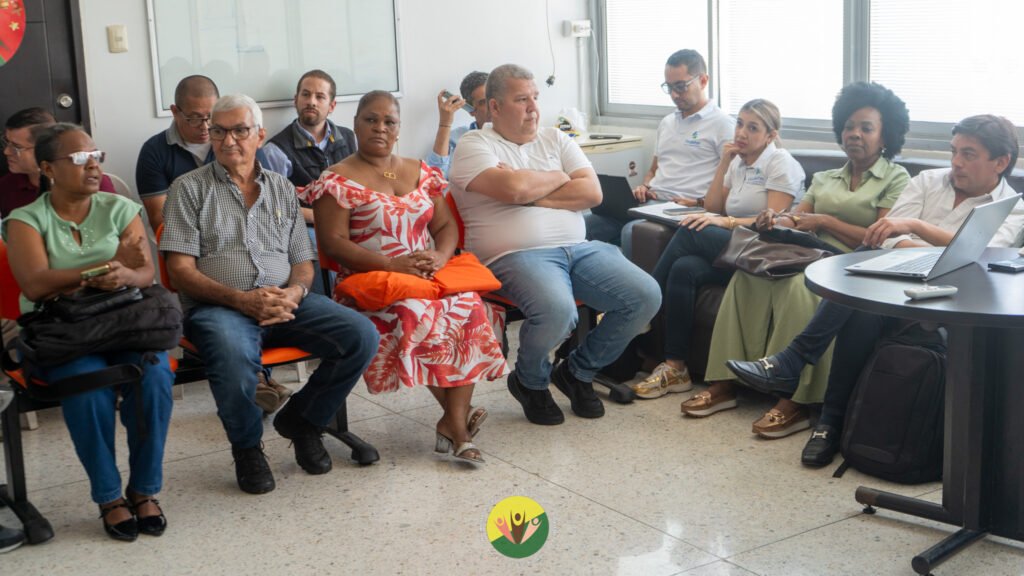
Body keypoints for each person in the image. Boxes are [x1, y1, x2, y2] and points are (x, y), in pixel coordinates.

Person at [726, 114, 1024, 465]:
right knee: (860, 303)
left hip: (949, 299)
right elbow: (887, 235)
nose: (956, 162)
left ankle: (798, 369)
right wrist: (918, 245)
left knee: (861, 279)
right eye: (953, 151)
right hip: (895, 282)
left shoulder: (1012, 206)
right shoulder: (928, 181)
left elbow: (982, 253)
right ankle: (829, 423)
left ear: (1000, 162)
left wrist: (915, 228)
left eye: (968, 154)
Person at [161, 94, 379, 494]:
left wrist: (295, 292)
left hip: (285, 301)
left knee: (361, 335)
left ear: (259, 135)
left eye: (239, 130)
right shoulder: (188, 189)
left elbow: (303, 261)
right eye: (219, 131)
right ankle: (247, 448)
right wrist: (242, 300)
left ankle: (303, 421)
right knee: (232, 355)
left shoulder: (281, 188)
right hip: (219, 307)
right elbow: (180, 272)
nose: (228, 140)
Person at [681, 82, 912, 439]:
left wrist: (825, 221)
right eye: (849, 126)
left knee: (796, 288)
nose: (855, 134)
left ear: (885, 137)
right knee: (746, 276)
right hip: (807, 253)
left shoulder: (896, 178)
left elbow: (879, 236)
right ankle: (725, 383)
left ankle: (794, 400)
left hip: (852, 263)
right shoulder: (825, 178)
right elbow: (797, 217)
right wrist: (775, 220)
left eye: (866, 128)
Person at [449, 64, 661, 426]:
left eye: (535, 97)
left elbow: (591, 193)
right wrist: (561, 177)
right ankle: (530, 381)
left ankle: (577, 371)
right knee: (559, 311)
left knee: (645, 295)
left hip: (579, 247)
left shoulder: (556, 139)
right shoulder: (475, 144)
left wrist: (531, 192)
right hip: (514, 255)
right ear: (495, 107)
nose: (534, 107)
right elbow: (512, 189)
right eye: (522, 100)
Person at [303, 91, 508, 464]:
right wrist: (391, 265)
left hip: (426, 276)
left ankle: (452, 421)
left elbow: (445, 226)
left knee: (469, 306)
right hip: (371, 285)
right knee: (414, 312)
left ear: (398, 128)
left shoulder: (420, 171)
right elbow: (333, 244)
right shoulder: (337, 179)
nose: (380, 128)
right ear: (356, 125)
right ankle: (458, 425)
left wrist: (440, 256)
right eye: (371, 120)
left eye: (389, 122)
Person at [3, 124, 174, 541]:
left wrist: (122, 274)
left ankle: (144, 489)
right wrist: (105, 265)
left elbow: (145, 273)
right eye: (80, 159)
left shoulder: (120, 208)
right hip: (65, 331)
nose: (93, 165)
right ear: (48, 168)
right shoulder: (26, 220)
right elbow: (36, 285)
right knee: (87, 384)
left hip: (125, 323)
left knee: (154, 375)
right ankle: (109, 497)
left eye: (96, 156)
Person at [632, 99, 805, 399]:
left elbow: (773, 223)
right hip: (738, 248)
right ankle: (676, 367)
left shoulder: (780, 162)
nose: (742, 132)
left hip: (768, 250)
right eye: (740, 123)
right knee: (684, 268)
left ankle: (642, 306)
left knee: (690, 230)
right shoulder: (738, 162)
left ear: (771, 135)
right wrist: (724, 162)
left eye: (753, 128)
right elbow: (713, 207)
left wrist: (727, 222)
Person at [136, 76, 289, 412]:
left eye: (211, 118)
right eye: (195, 118)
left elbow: (264, 210)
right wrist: (213, 220)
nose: (206, 128)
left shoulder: (240, 143)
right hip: (198, 250)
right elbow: (162, 219)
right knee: (236, 292)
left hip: (246, 251)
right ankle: (257, 379)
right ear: (175, 112)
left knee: (273, 269)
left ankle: (259, 378)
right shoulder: (155, 152)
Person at [584, 49, 734, 255]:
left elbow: (731, 183)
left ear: (703, 81)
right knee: (585, 224)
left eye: (680, 86)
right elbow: (653, 170)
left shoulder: (723, 125)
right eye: (669, 87)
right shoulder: (667, 122)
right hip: (652, 203)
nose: (674, 94)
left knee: (631, 231)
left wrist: (699, 202)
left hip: (686, 208)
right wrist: (644, 186)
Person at [262, 69, 357, 297]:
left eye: (320, 97)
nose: (311, 102)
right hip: (307, 226)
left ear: (331, 106)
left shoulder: (348, 137)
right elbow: (273, 207)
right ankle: (328, 303)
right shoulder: (276, 150)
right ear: (296, 100)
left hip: (350, 218)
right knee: (316, 245)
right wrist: (321, 218)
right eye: (305, 95)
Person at [1, 107, 116, 217]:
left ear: (43, 149)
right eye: (7, 143)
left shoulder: (93, 182)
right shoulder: (7, 186)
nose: (6, 152)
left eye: (16, 147)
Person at [426, 71, 490, 178]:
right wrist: (444, 124)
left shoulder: (516, 132)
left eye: (496, 98)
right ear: (470, 110)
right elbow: (434, 178)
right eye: (484, 102)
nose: (494, 105)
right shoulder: (457, 139)